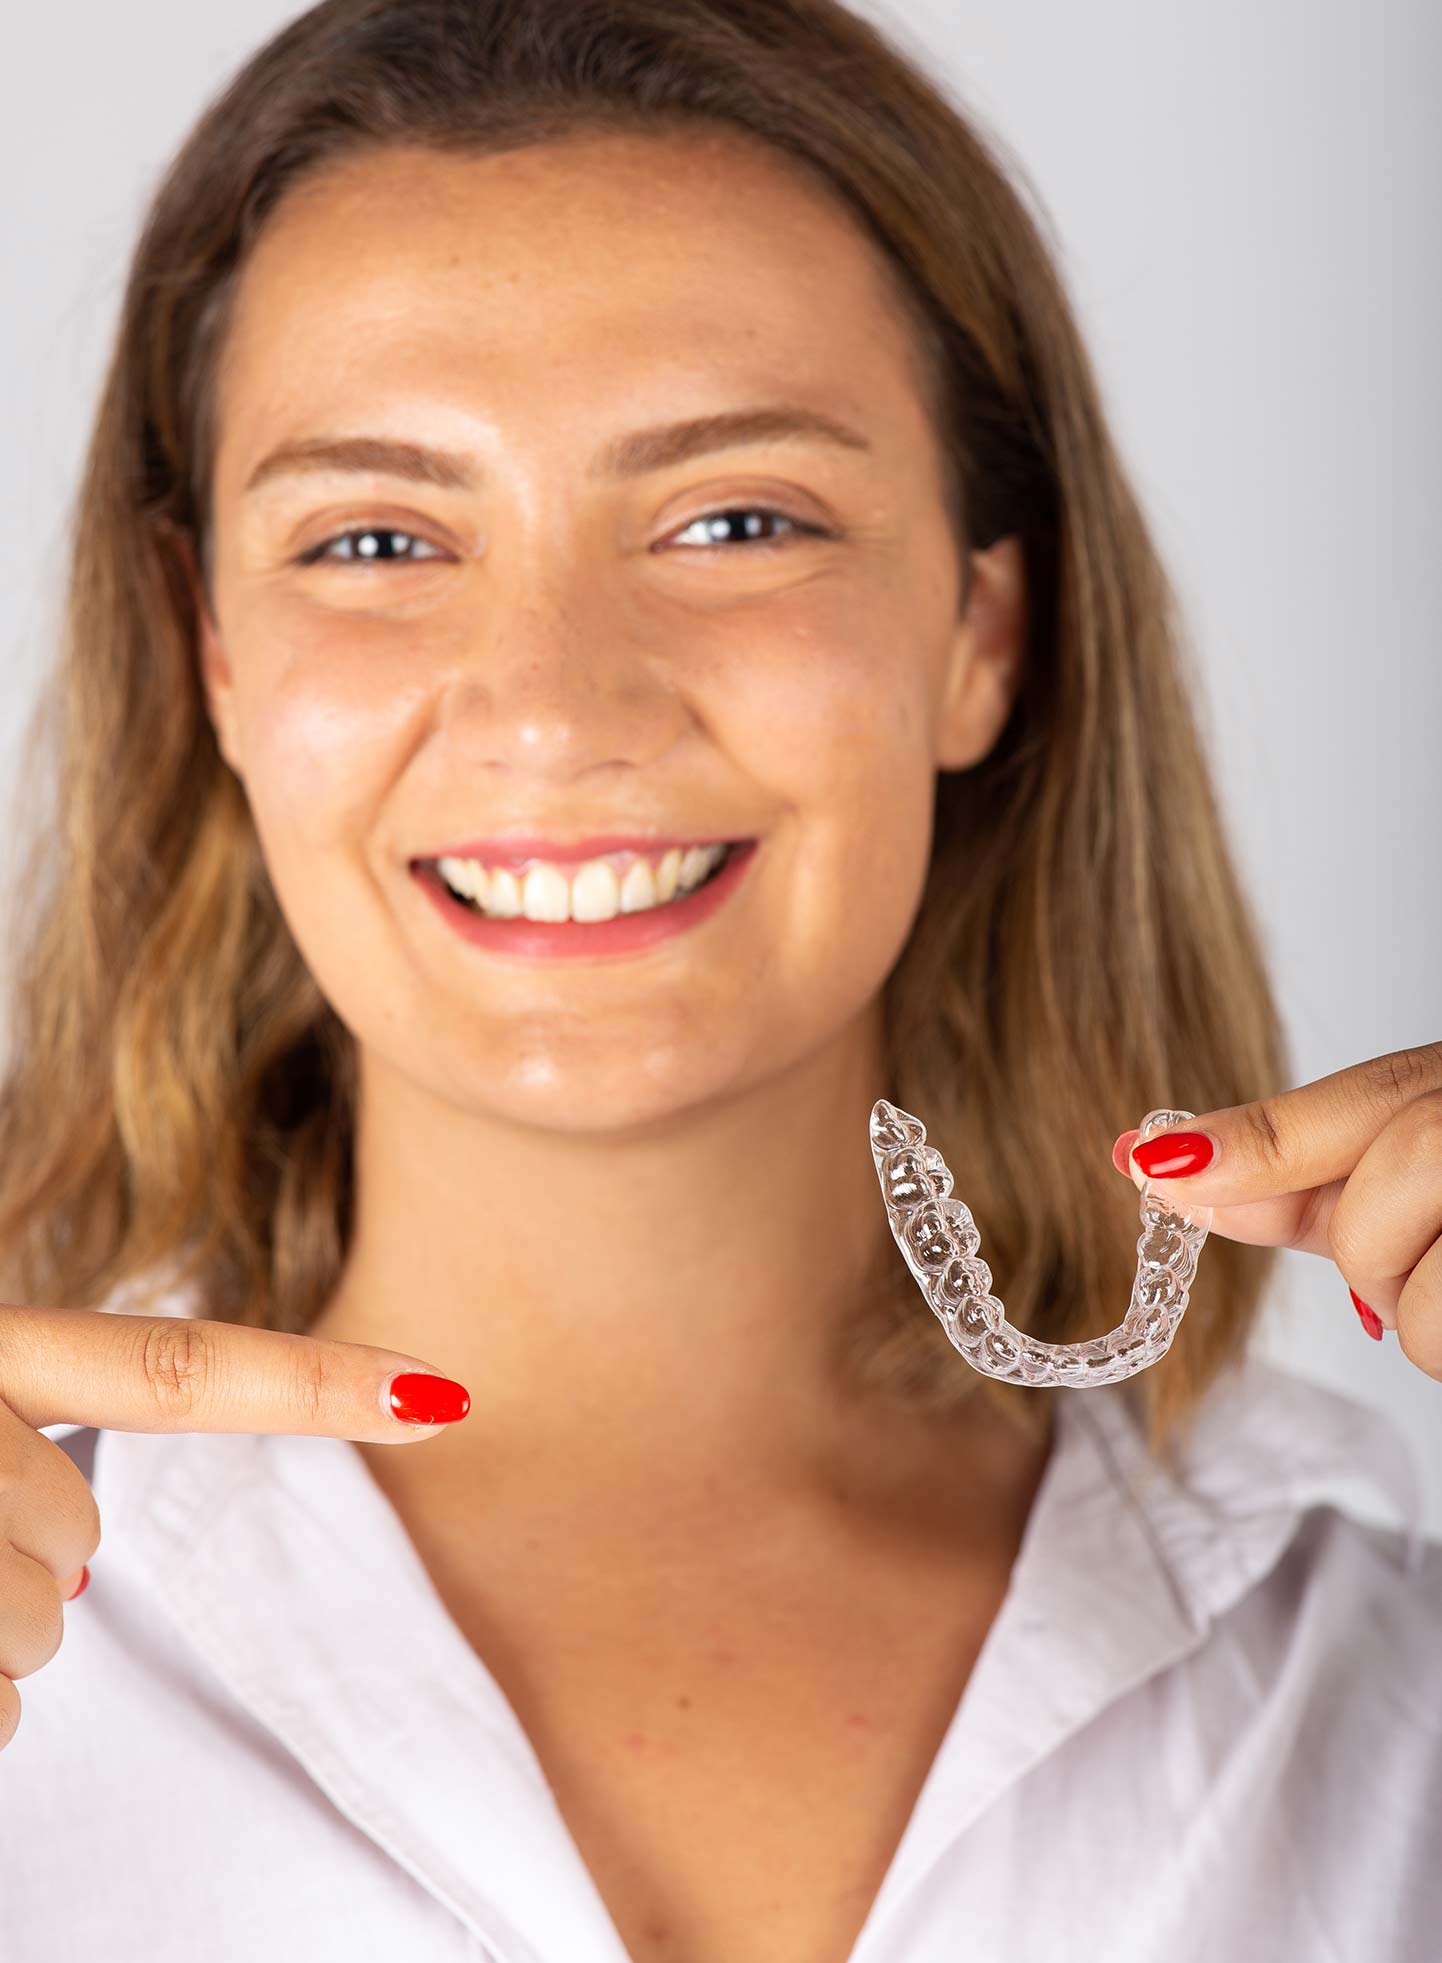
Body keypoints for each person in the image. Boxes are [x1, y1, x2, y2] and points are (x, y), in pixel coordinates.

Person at [0, 2, 1438, 1958]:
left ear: (978, 631)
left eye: (735, 518)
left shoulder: (1370, 1665)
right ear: (214, 659)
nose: (554, 709)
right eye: (374, 536)